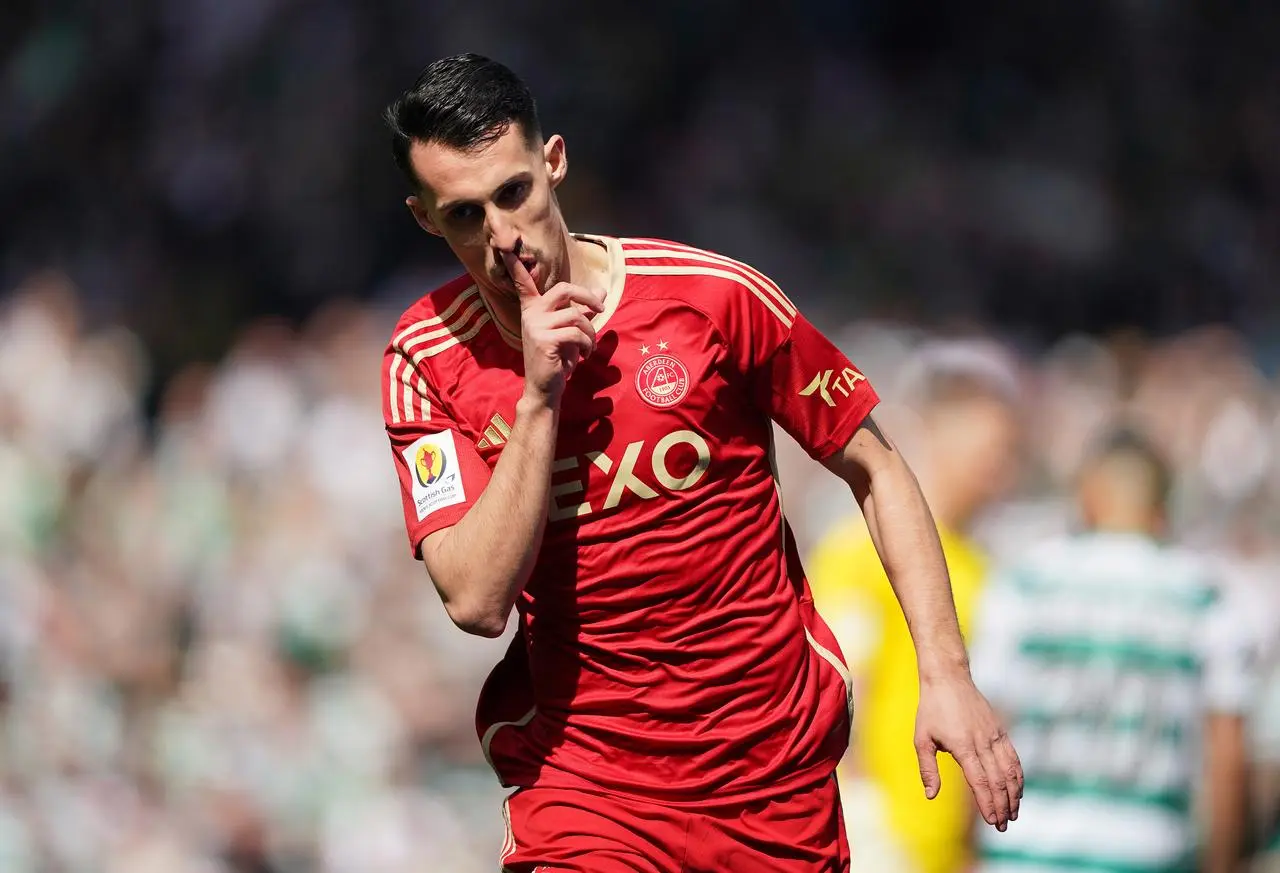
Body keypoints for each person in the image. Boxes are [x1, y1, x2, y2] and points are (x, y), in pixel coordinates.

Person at [378, 53, 1021, 873]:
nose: (502, 237)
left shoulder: (714, 298)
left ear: (554, 162)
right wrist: (540, 400)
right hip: (588, 785)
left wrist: (947, 675)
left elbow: (877, 467)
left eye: (513, 194)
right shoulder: (424, 358)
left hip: (768, 773)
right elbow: (473, 598)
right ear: (426, 219)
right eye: (464, 215)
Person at [970, 428, 1261, 873]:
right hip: (1148, 851)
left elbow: (981, 727)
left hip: (1022, 851)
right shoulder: (1205, 597)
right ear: (1163, 507)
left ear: (1086, 497)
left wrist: (962, 845)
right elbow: (1227, 758)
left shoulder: (1024, 582)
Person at [807, 344, 1023, 873]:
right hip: (882, 843)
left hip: (945, 850)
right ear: (936, 436)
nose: (995, 471)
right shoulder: (860, 553)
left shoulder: (981, 567)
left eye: (1003, 455)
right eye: (983, 451)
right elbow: (837, 683)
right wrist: (865, 818)